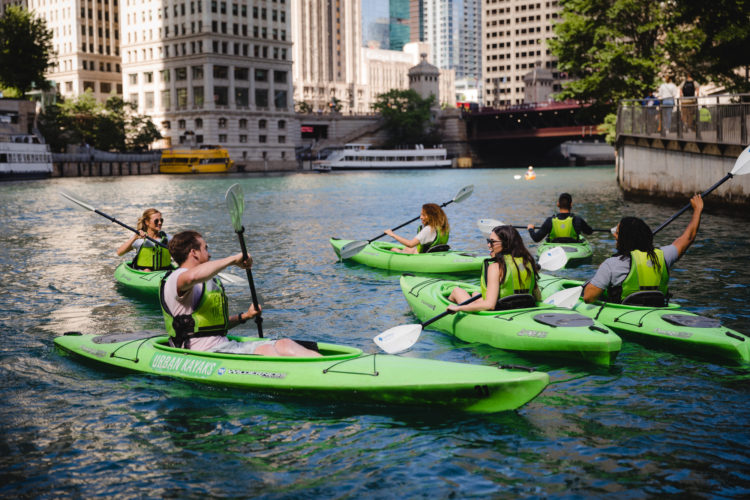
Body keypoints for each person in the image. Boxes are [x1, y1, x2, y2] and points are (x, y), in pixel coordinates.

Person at [159, 230, 321, 356]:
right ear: (194, 253)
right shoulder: (176, 278)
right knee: (266, 351)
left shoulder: (206, 281)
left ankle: (325, 367)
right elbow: (193, 276)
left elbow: (211, 326)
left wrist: (245, 316)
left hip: (224, 345)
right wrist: (234, 259)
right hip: (203, 352)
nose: (209, 254)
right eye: (205, 248)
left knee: (284, 343)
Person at [583, 194, 703, 305]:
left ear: (625, 239)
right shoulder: (664, 256)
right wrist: (697, 210)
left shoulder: (611, 264)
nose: (614, 235)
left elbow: (588, 297)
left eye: (618, 233)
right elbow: (689, 237)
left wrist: (601, 273)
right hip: (656, 310)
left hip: (624, 314)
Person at [446, 225, 541, 313]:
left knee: (457, 291)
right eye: (489, 241)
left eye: (492, 242)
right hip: (523, 307)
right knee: (475, 294)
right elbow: (538, 298)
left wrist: (459, 308)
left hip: (499, 311)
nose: (488, 245)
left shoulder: (496, 267)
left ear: (506, 244)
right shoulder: (528, 263)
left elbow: (490, 305)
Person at [527, 193, 593, 244]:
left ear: (558, 204)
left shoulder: (550, 220)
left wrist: (530, 229)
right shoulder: (578, 220)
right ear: (571, 205)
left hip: (554, 247)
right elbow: (589, 232)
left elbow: (536, 238)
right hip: (574, 247)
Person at [384, 203, 450, 254]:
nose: (420, 217)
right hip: (436, 254)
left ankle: (396, 251)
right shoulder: (443, 227)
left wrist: (392, 234)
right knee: (408, 249)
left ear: (431, 216)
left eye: (423, 215)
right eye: (421, 215)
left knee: (394, 249)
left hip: (423, 256)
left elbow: (410, 244)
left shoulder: (428, 229)